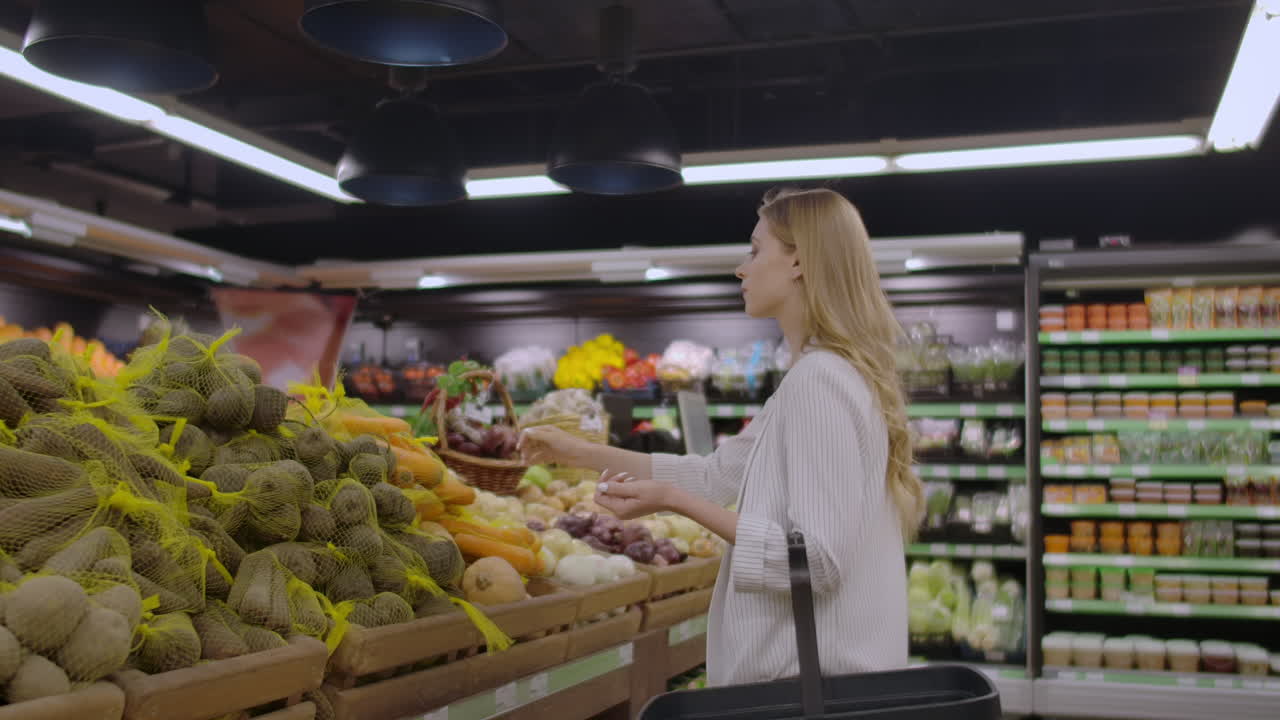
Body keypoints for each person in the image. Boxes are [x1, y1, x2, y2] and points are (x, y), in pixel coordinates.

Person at [518, 187, 921, 687]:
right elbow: (714, 475)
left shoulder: (821, 381)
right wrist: (578, 451)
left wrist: (673, 502)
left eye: (755, 250)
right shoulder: (814, 378)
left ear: (799, 262)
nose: (741, 268)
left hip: (807, 692)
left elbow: (815, 559)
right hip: (814, 687)